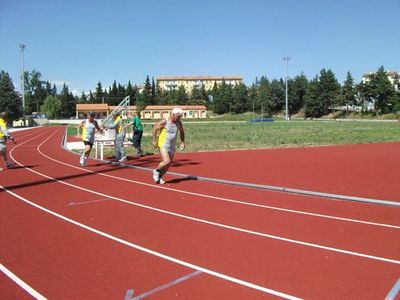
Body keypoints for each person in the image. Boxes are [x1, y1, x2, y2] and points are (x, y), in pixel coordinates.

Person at [152, 107, 185, 184]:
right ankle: (156, 171)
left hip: (171, 147)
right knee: (167, 161)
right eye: (178, 116)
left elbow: (182, 132)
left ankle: (158, 177)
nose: (179, 118)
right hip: (163, 144)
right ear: (173, 114)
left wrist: (182, 142)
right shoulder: (165, 121)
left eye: (180, 117)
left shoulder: (179, 123)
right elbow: (155, 128)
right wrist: (154, 140)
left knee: (167, 166)